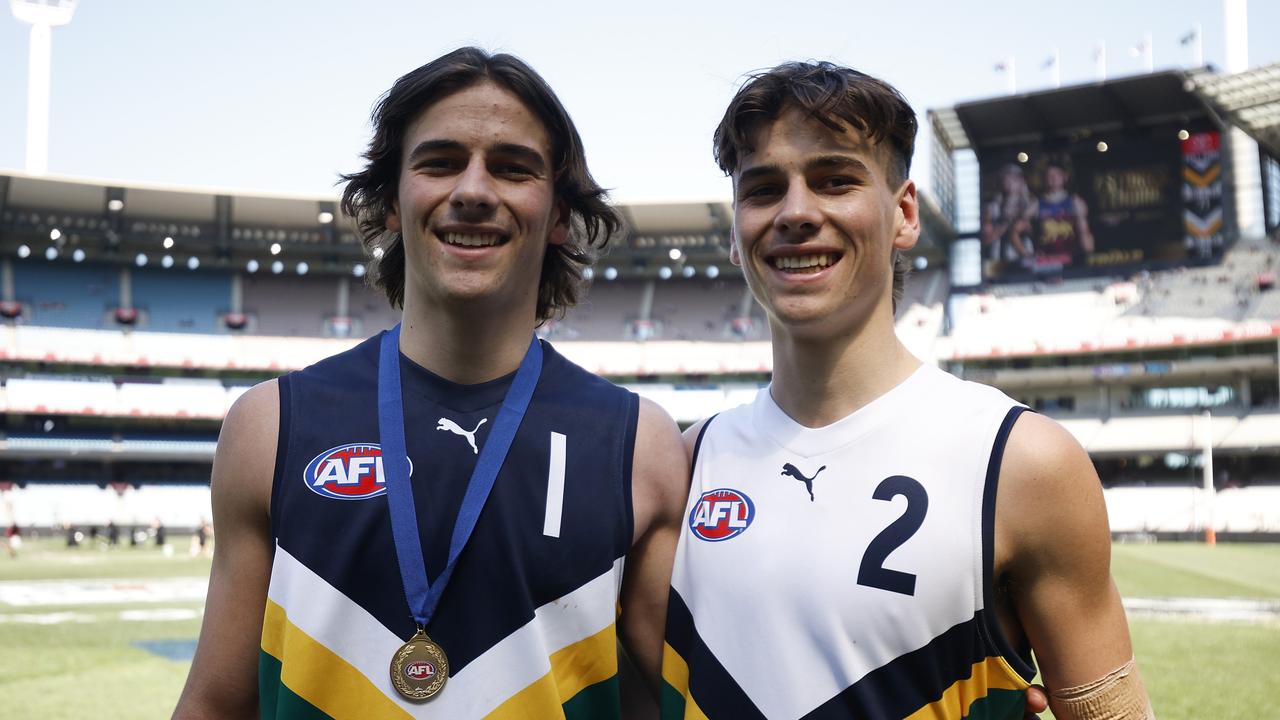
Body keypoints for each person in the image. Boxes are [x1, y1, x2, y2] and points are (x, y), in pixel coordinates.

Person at [173, 47, 687, 718]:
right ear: (391, 201)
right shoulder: (269, 427)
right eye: (440, 162)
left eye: (511, 167)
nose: (472, 191)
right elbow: (215, 705)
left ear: (559, 214)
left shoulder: (639, 447)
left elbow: (659, 706)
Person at [662, 62, 1148, 719]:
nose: (797, 212)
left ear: (905, 214)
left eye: (836, 180)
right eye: (764, 189)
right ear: (734, 232)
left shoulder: (1022, 462)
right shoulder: (684, 465)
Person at [1031, 157, 1094, 270]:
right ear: (1044, 179)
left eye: (1057, 175)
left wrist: (1089, 256)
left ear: (1065, 177)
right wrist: (1026, 254)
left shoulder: (1075, 202)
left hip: (1072, 259)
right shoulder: (1035, 204)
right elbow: (1016, 230)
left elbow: (1084, 232)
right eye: (1050, 176)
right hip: (1046, 261)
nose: (1054, 179)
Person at [980, 163, 1035, 265]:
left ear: (1022, 182)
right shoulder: (992, 208)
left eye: (1014, 179)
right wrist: (1003, 227)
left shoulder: (1032, 204)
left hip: (1025, 260)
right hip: (998, 262)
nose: (1009, 182)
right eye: (1006, 179)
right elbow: (986, 238)